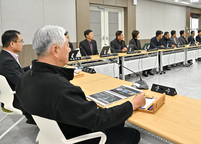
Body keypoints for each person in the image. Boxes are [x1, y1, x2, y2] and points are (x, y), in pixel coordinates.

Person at [16, 25, 145, 144]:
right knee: (133, 134)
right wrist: (132, 104)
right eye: (67, 45)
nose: (70, 49)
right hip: (81, 137)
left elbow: (26, 112)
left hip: (57, 132)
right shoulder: (61, 88)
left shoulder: (24, 78)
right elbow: (98, 119)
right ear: (55, 50)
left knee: (119, 121)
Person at [0, 30, 34, 124]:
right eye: (21, 41)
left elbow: (16, 72)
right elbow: (21, 81)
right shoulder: (7, 61)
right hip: (17, 99)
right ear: (12, 43)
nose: (23, 44)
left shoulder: (4, 57)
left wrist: (31, 67)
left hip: (12, 95)